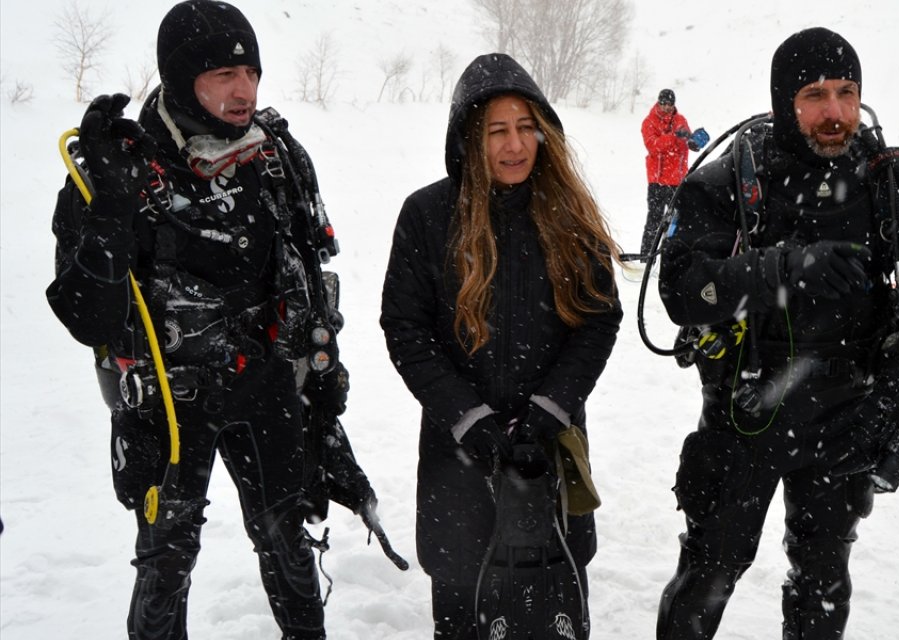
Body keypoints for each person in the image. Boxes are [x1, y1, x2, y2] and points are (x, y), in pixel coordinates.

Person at [44, 1, 368, 638]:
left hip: (268, 382)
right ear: (180, 78)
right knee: (166, 561)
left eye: (250, 72)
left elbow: (308, 269)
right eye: (222, 75)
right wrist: (108, 210)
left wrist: (323, 384)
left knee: (288, 542)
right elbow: (86, 317)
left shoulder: (274, 158)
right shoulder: (121, 169)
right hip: (168, 398)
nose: (243, 89)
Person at [655, 27, 899, 639]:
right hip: (745, 413)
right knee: (708, 573)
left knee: (822, 584)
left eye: (847, 92)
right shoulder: (731, 183)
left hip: (847, 421)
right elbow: (682, 292)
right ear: (783, 102)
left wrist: (887, 407)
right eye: (815, 95)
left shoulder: (894, 190)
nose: (835, 113)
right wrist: (782, 269)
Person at [380, 52, 622, 639]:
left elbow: (598, 322)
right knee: (463, 611)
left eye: (525, 127)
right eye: (497, 131)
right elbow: (405, 331)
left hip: (551, 453)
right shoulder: (427, 215)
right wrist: (470, 419)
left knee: (553, 604)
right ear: (470, 138)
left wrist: (550, 409)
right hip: (458, 459)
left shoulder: (569, 215)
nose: (515, 145)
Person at [639, 88, 694, 259]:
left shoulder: (680, 120)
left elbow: (686, 143)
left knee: (677, 222)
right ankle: (647, 257)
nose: (667, 108)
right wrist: (673, 138)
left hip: (677, 181)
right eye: (664, 104)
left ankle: (672, 257)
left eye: (670, 105)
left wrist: (692, 141)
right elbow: (653, 146)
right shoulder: (649, 122)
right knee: (654, 220)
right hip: (657, 181)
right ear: (659, 102)